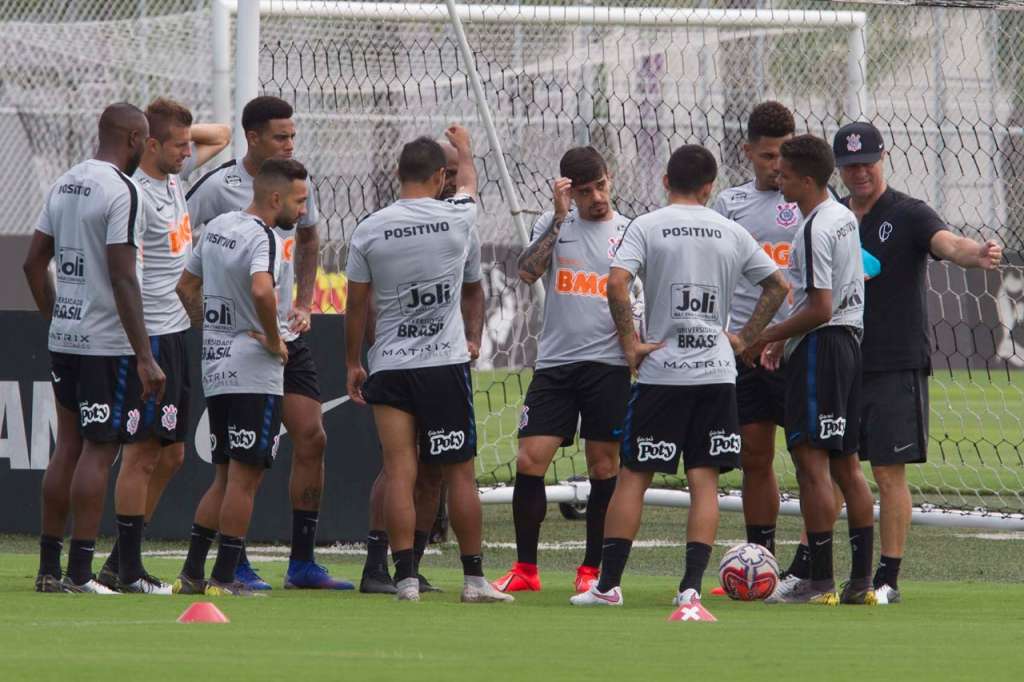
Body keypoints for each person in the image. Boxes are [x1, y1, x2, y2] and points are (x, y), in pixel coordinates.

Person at [571, 144, 787, 608]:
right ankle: (689, 588)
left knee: (634, 476)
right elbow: (779, 285)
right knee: (703, 480)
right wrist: (745, 337)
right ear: (710, 188)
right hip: (715, 373)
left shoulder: (646, 226)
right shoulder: (731, 231)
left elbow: (616, 282)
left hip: (663, 373)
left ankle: (607, 586)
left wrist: (630, 343)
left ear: (666, 181)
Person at [833, 122, 1002, 604]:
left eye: (866, 162)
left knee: (888, 472)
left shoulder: (908, 213)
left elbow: (948, 244)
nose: (859, 172)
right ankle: (826, 570)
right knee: (832, 470)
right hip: (839, 359)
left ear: (882, 158)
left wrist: (977, 253)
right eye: (849, 166)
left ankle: (888, 577)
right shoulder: (832, 215)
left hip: (893, 362)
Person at [187, 96, 350, 590]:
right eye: (281, 136)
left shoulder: (295, 183)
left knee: (311, 435)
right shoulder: (218, 192)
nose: (289, 143)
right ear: (252, 138)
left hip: (278, 332)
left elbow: (309, 240)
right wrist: (216, 326)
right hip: (253, 343)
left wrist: (303, 303)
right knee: (242, 471)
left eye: (292, 135)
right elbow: (187, 252)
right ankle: (230, 567)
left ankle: (301, 563)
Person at [345, 126, 510, 603]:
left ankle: (406, 580)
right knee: (459, 472)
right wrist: (466, 148)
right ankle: (475, 579)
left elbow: (358, 307)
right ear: (440, 176)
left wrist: (354, 363)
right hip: (442, 364)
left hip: (391, 365)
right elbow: (471, 183)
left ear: (398, 175)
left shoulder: (371, 228)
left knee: (401, 470)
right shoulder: (456, 219)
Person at [22, 102, 165, 593]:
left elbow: (31, 263)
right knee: (99, 451)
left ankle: (48, 568)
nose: (145, 149)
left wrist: (56, 315)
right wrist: (145, 355)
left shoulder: (64, 182)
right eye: (145, 141)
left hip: (66, 339)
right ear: (133, 139)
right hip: (107, 344)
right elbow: (125, 277)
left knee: (68, 447)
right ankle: (81, 573)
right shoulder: (123, 190)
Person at [94, 97, 230, 592]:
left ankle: (117, 560)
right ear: (149, 145)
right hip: (146, 334)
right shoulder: (133, 193)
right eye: (177, 146)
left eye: (186, 146)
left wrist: (176, 131)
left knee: (171, 456)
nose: (188, 154)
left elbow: (223, 135)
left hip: (175, 331)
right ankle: (128, 569)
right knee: (142, 454)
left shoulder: (173, 176)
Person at [491, 146, 636, 595]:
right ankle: (526, 569)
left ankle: (592, 569)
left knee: (603, 465)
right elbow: (528, 272)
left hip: (609, 366)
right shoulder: (555, 225)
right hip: (556, 364)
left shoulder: (631, 231)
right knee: (530, 460)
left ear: (610, 178)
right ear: (569, 191)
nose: (596, 197)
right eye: (586, 191)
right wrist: (557, 219)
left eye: (601, 186)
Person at [749, 134, 877, 605]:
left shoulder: (812, 229)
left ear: (805, 180)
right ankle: (860, 581)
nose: (776, 178)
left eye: (783, 173)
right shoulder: (843, 215)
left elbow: (820, 307)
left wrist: (770, 335)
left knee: (810, 463)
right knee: (847, 464)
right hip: (847, 346)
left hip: (823, 348)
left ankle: (817, 579)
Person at [172, 158, 307, 596]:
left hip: (216, 365)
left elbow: (184, 287)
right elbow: (262, 290)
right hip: (252, 372)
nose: (303, 211)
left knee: (224, 477)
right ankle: (224, 577)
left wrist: (210, 329)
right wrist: (272, 339)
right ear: (274, 198)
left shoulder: (216, 227)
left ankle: (192, 574)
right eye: (299, 201)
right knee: (245, 480)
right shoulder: (263, 235)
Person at [710, 101, 797, 558]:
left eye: (785, 153)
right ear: (748, 152)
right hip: (745, 350)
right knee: (755, 457)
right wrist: (737, 337)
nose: (777, 164)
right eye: (767, 156)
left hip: (797, 346)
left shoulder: (813, 202)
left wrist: (780, 336)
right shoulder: (731, 203)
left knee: (813, 460)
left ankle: (810, 562)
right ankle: (759, 559)